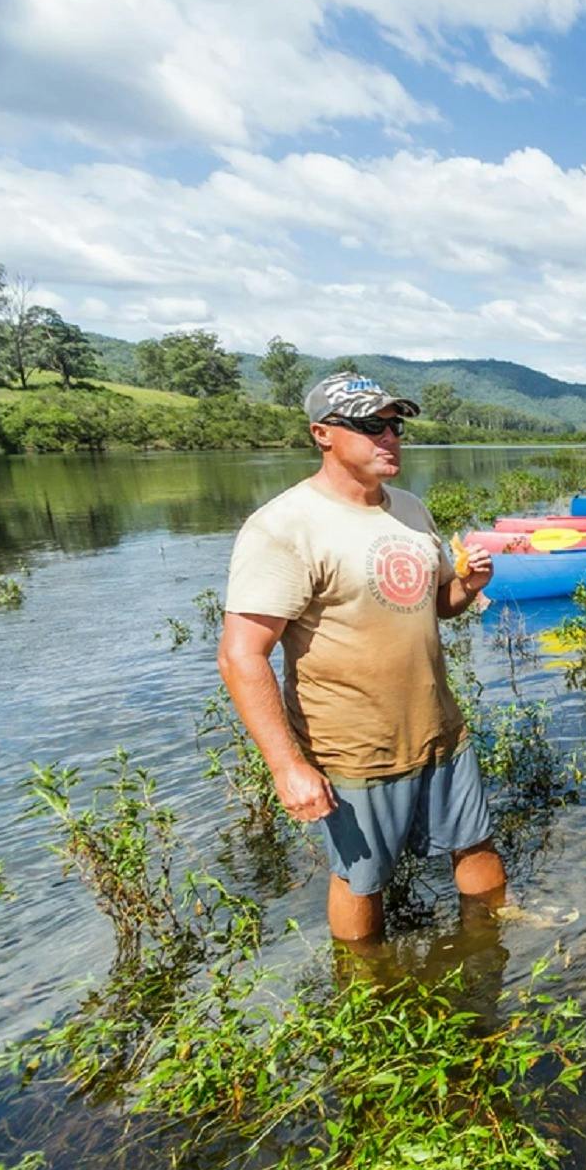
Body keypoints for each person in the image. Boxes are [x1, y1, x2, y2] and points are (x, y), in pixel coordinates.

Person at [217, 371, 505, 947]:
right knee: (361, 879)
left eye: (395, 425)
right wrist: (287, 767)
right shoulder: (283, 526)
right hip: (353, 744)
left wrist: (469, 586)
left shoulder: (410, 509)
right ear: (322, 434)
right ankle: (368, 987)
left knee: (474, 842)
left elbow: (438, 605)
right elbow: (241, 655)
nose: (390, 437)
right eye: (371, 425)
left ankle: (496, 953)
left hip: (439, 728)